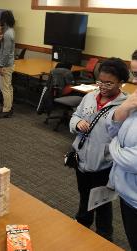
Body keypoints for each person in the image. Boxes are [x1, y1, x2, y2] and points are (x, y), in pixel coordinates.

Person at [69, 58, 129, 241]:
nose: (103, 86)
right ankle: (81, 225)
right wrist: (77, 123)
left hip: (105, 165)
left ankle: (104, 236)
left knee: (102, 204)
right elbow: (75, 116)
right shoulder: (89, 97)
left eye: (109, 83)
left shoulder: (125, 107)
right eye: (100, 81)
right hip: (82, 160)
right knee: (84, 196)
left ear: (120, 82)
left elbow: (125, 140)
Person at [107, 89, 137, 250]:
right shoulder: (134, 101)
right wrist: (124, 108)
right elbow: (111, 129)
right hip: (127, 194)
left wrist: (114, 145)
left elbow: (132, 162)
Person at [0, 10, 15, 119]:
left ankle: (6, 109)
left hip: (6, 65)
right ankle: (9, 106)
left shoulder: (7, 34)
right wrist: (1, 37)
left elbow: (6, 52)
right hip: (10, 63)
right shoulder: (10, 31)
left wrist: (1, 66)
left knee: (5, 88)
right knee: (9, 87)